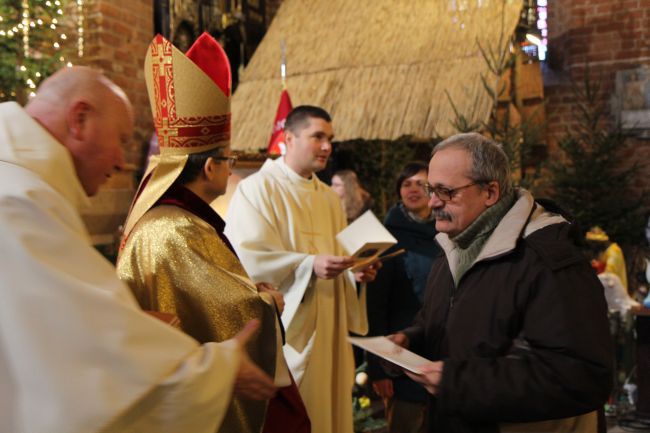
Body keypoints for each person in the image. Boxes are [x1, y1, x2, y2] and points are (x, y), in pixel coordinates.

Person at [0, 65, 277, 433]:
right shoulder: (20, 202)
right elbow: (90, 356)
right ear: (79, 119)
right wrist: (217, 367)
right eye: (121, 139)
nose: (122, 161)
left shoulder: (21, 185)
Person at [117, 33, 309, 433]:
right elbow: (236, 314)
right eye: (228, 160)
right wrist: (268, 301)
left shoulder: (163, 220)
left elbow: (203, 298)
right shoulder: (180, 229)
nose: (232, 168)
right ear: (209, 168)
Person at [392, 133, 612, 432]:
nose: (432, 202)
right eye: (432, 189)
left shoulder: (549, 262)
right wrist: (411, 340)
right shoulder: (452, 246)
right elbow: (447, 319)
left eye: (445, 191)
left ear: (490, 192)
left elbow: (581, 376)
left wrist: (458, 382)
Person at [225, 105, 379, 433]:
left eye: (330, 139)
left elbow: (336, 259)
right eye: (318, 137)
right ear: (289, 138)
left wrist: (354, 275)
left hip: (330, 329)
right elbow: (246, 260)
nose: (327, 146)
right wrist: (309, 265)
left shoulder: (328, 198)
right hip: (291, 335)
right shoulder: (257, 189)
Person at [366, 161, 439, 433]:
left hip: (442, 353)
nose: (413, 189)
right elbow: (374, 306)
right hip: (401, 356)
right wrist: (378, 368)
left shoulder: (448, 233)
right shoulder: (384, 238)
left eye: (421, 183)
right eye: (407, 184)